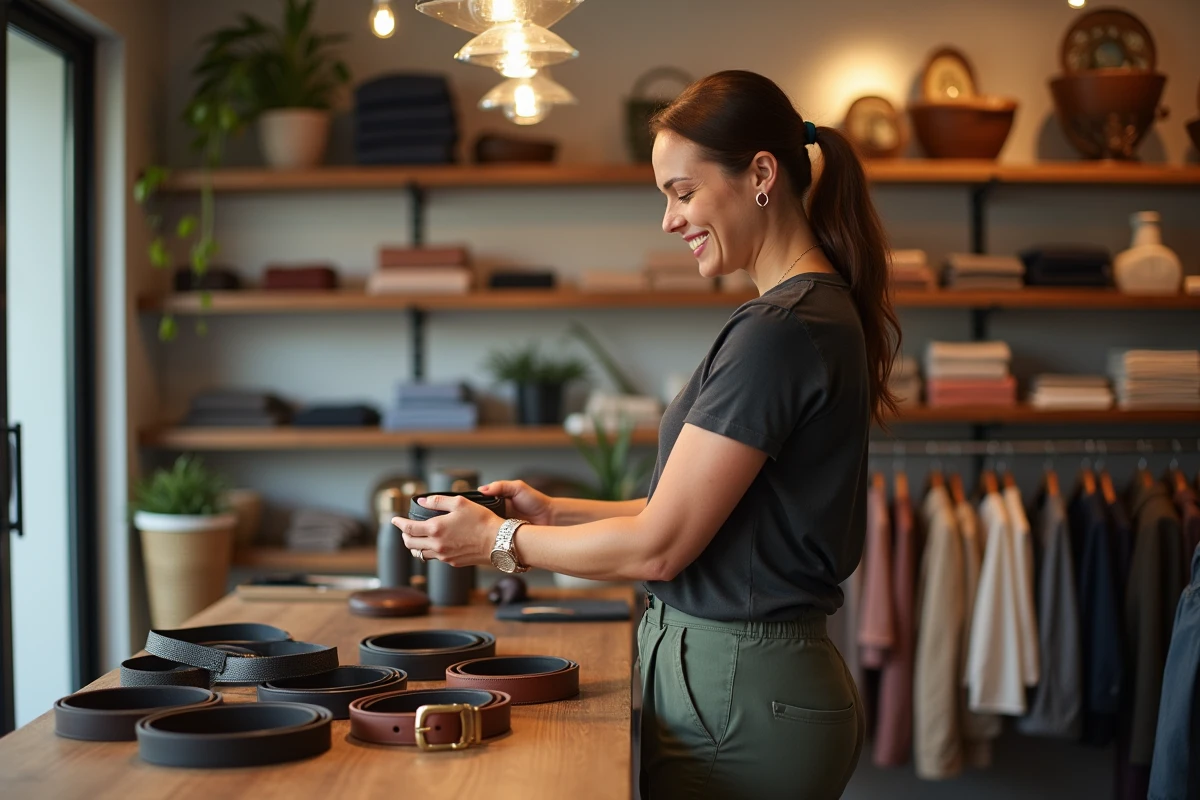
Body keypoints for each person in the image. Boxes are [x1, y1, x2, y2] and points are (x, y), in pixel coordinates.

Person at [395, 69, 900, 799]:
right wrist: (556, 512)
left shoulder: (781, 330)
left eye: (683, 192)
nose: (669, 220)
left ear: (761, 174)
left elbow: (661, 548)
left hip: (740, 695)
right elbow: (690, 518)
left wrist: (497, 545)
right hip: (736, 685)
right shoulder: (798, 318)